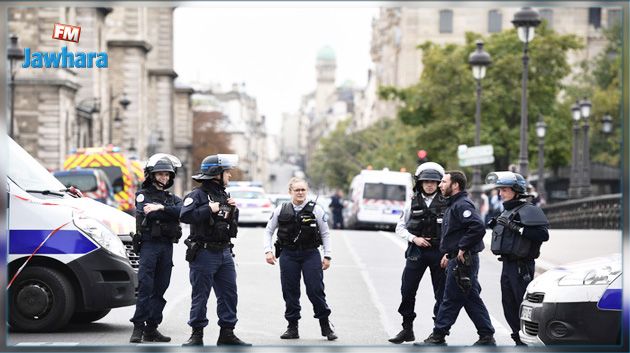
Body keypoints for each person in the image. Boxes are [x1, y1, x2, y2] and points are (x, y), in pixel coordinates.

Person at [418, 170, 496, 346]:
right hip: (458, 258)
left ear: (455, 185)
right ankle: (486, 335)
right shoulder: (453, 204)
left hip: (463, 261)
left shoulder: (462, 205)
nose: (440, 185)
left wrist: (463, 247)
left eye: (444, 182)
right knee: (470, 298)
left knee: (451, 297)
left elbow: (477, 227)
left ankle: (438, 335)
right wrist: (449, 253)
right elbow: (456, 233)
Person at [179, 154, 250, 346]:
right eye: (227, 172)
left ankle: (227, 333)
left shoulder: (224, 195)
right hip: (204, 253)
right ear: (216, 174)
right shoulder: (197, 195)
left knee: (229, 294)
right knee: (200, 295)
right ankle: (196, 335)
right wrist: (208, 209)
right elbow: (185, 215)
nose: (230, 176)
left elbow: (228, 224)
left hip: (225, 253)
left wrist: (233, 210)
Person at [264, 177, 337, 341]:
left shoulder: (316, 210)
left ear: (307, 191)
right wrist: (268, 251)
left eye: (303, 190)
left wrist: (327, 255)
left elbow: (325, 234)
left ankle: (325, 325)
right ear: (290, 192)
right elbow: (268, 231)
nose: (300, 193)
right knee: (290, 291)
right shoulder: (280, 210)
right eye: (297, 190)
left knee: (315, 290)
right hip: (288, 255)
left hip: (310, 254)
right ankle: (292, 327)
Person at [486, 171, 549, 346]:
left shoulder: (530, 210)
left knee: (523, 305)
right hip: (507, 265)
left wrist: (516, 228)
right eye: (500, 190)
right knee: (508, 304)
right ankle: (518, 340)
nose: (500, 193)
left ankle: (527, 341)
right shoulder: (508, 210)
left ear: (516, 190)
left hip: (521, 266)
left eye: (504, 190)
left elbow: (543, 235)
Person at [389, 162, 447, 344]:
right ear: (420, 183)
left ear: (438, 183)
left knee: (441, 293)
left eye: (433, 181)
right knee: (407, 290)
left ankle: (438, 333)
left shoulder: (448, 203)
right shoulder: (412, 202)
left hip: (439, 252)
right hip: (417, 251)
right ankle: (407, 329)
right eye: (426, 181)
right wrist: (414, 239)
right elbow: (400, 227)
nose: (429, 184)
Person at [129, 154, 183, 343]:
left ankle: (152, 328)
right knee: (146, 287)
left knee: (161, 288)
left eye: (167, 175)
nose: (164, 178)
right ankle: (138, 328)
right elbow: (147, 214)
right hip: (149, 245)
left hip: (166, 246)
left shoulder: (172, 198)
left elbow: (182, 212)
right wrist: (167, 212)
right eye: (160, 174)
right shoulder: (143, 195)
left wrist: (160, 209)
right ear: (152, 175)